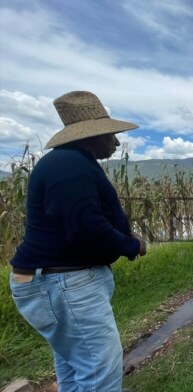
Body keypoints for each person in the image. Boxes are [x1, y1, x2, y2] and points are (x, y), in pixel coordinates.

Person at [9, 91, 146, 392]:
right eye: (111, 135)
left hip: (56, 282)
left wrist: (124, 236)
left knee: (74, 367)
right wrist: (131, 245)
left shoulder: (68, 162)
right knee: (100, 373)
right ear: (90, 136)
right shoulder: (70, 166)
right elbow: (87, 228)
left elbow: (80, 220)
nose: (116, 142)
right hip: (64, 284)